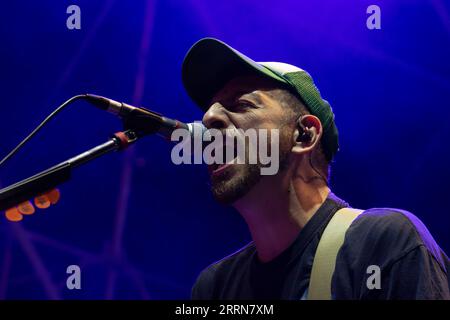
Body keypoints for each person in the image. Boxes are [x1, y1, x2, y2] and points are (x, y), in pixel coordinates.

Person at [181, 38, 450, 299]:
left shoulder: (383, 245)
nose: (209, 118)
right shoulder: (214, 287)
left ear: (304, 135)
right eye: (209, 112)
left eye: (240, 104)